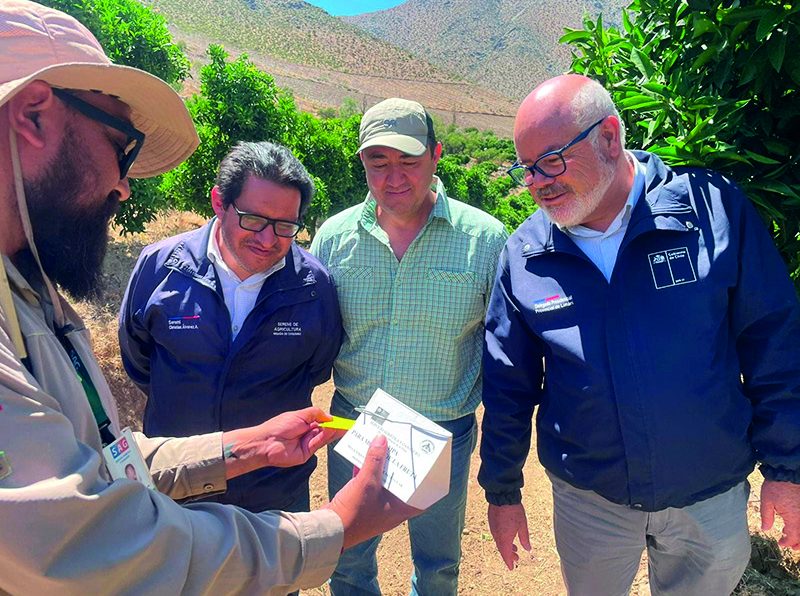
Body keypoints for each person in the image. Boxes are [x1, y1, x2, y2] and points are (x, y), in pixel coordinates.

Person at [0, 2, 419, 593]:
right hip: (188, 532)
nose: (124, 184)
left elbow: (100, 459)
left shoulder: (28, 291)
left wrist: (245, 445)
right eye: (120, 145)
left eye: (286, 228)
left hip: (257, 504)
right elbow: (85, 541)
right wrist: (337, 526)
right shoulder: (157, 266)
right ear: (34, 116)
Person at [479, 73, 800, 595]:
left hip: (709, 495)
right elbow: (507, 385)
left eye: (552, 161)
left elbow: (775, 343)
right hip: (591, 504)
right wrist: (502, 490)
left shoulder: (710, 212)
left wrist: (788, 469)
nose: (538, 182)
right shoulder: (525, 254)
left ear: (609, 136)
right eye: (526, 169)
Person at [311, 97, 508, 595]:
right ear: (363, 163)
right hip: (353, 423)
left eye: (408, 160)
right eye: (379, 161)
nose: (393, 175)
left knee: (438, 564)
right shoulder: (333, 239)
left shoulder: (484, 239)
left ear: (436, 155)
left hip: (441, 431)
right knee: (347, 558)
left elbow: (504, 345)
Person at [119, 140, 342, 515]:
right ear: (219, 203)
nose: (268, 239)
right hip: (175, 491)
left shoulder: (313, 286)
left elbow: (317, 370)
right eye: (253, 220)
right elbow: (139, 360)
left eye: (286, 226)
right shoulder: (160, 266)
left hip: (273, 495)